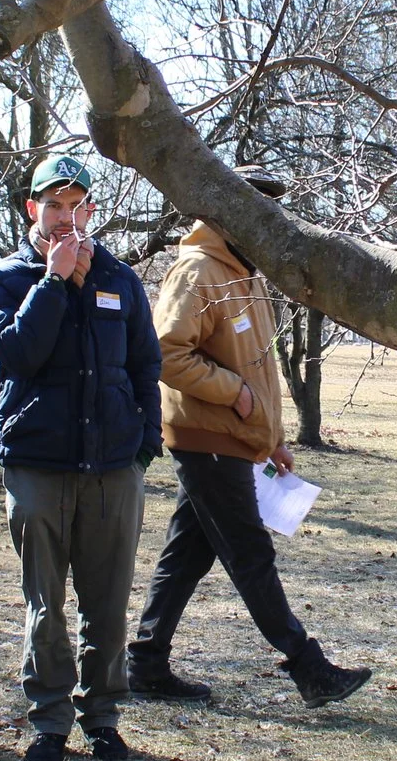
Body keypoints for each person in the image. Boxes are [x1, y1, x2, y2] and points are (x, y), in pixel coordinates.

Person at [127, 169, 370, 707]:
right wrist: (233, 394)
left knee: (187, 555)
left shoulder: (247, 274)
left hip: (231, 439)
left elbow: (257, 370)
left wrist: (271, 438)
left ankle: (145, 662)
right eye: (256, 210)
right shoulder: (197, 271)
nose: (267, 221)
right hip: (205, 437)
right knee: (249, 553)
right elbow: (166, 353)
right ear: (226, 212)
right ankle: (309, 668)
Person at [0, 153, 163, 761]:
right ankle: (50, 720)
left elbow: (145, 366)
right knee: (46, 605)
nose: (64, 218)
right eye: (52, 205)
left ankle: (103, 716)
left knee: (107, 606)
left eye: (76, 205)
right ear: (32, 210)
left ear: (91, 209)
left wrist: (142, 447)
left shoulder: (120, 279)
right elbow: (18, 352)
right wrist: (53, 282)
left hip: (113, 467)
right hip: (37, 464)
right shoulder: (3, 279)